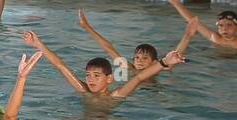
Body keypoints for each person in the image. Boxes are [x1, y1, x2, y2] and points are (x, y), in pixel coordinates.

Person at [21, 30, 166, 101]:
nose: (91, 80)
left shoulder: (115, 95)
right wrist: (38, 44)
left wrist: (165, 63)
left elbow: (138, 78)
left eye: (97, 76)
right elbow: (61, 66)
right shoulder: (83, 89)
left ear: (109, 79)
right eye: (88, 75)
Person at [78, 9, 198, 76]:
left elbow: (174, 56)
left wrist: (187, 35)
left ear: (154, 62)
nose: (139, 60)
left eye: (145, 58)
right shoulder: (130, 69)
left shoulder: (159, 68)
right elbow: (109, 48)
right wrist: (87, 27)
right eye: (136, 57)